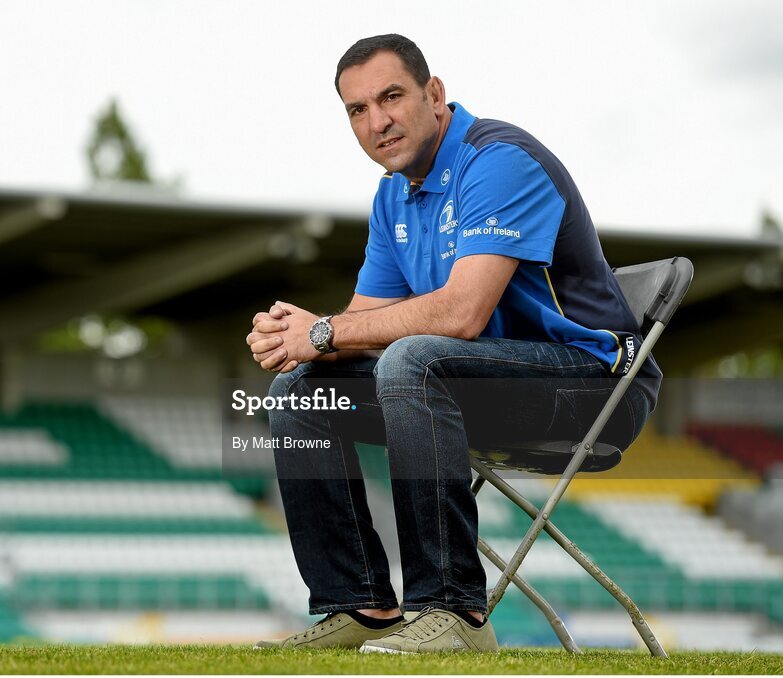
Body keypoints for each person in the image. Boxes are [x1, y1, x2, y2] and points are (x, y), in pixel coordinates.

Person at [247, 34, 660, 654]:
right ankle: (359, 604)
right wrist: (294, 339)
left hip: (596, 386)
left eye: (390, 97)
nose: (377, 121)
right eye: (357, 110)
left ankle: (452, 611)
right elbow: (358, 330)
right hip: (474, 382)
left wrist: (325, 330)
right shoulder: (393, 197)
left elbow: (462, 315)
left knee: (416, 358)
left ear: (434, 94)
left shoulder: (498, 159)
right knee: (301, 391)